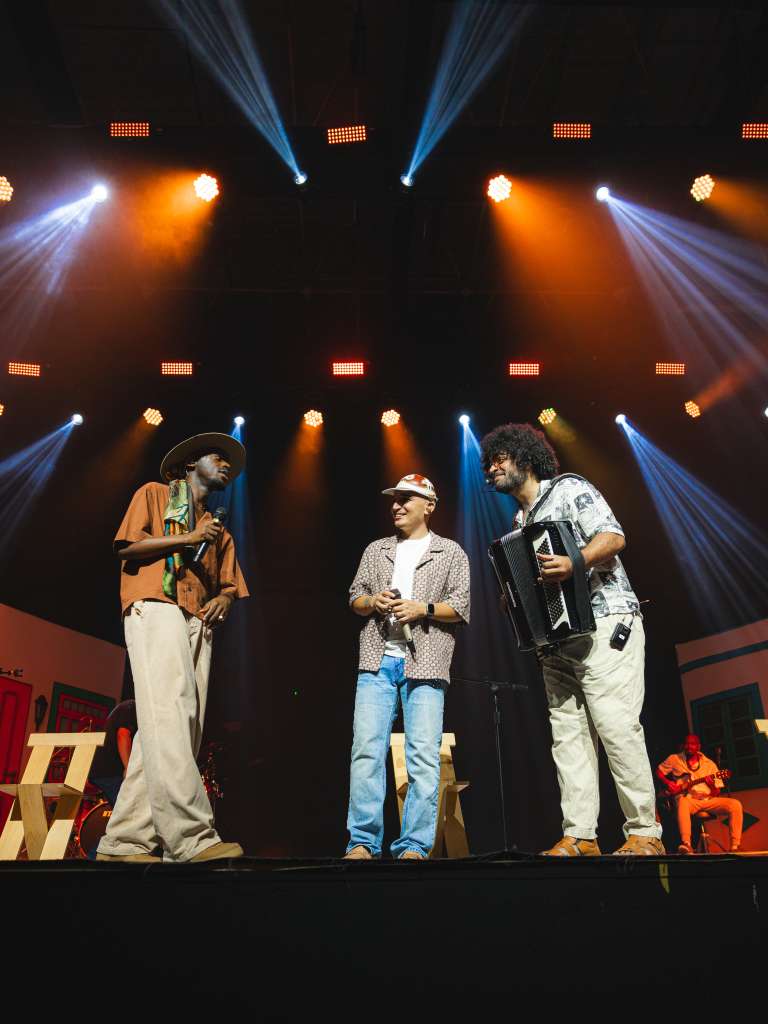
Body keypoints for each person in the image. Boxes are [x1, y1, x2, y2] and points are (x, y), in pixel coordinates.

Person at [482, 422, 664, 856]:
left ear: (524, 456)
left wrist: (575, 561)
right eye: (487, 464)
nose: (491, 469)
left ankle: (645, 832)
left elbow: (614, 536)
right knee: (568, 738)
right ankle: (581, 834)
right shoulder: (521, 520)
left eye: (498, 459)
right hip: (556, 642)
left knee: (617, 727)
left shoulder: (569, 489)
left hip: (606, 623)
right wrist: (516, 597)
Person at [96, 433, 249, 864]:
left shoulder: (218, 529)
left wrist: (225, 598)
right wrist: (187, 538)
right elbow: (128, 547)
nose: (226, 465)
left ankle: (124, 840)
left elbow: (229, 585)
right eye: (218, 457)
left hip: (197, 618)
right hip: (155, 603)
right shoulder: (155, 494)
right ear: (190, 464)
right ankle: (191, 836)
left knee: (179, 726)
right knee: (170, 711)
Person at [345, 474, 470, 860]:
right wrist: (373, 602)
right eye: (394, 500)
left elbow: (460, 607)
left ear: (429, 505)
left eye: (406, 499)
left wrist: (422, 608)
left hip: (426, 663)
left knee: (422, 756)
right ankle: (363, 842)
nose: (396, 506)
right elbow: (355, 598)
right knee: (366, 752)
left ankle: (414, 845)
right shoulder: (376, 549)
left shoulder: (450, 552)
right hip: (377, 660)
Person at [657, 734, 743, 854]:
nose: (689, 746)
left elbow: (716, 793)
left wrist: (711, 785)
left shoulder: (709, 764)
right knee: (683, 801)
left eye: (692, 744)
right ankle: (686, 844)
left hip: (708, 800)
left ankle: (735, 846)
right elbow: (659, 771)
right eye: (687, 744)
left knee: (735, 804)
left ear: (698, 746)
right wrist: (668, 783)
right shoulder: (674, 759)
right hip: (689, 800)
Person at [89, 699, 138, 807]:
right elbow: (123, 735)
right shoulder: (132, 707)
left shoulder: (128, 707)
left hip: (107, 772)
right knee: (127, 809)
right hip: (109, 772)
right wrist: (128, 768)